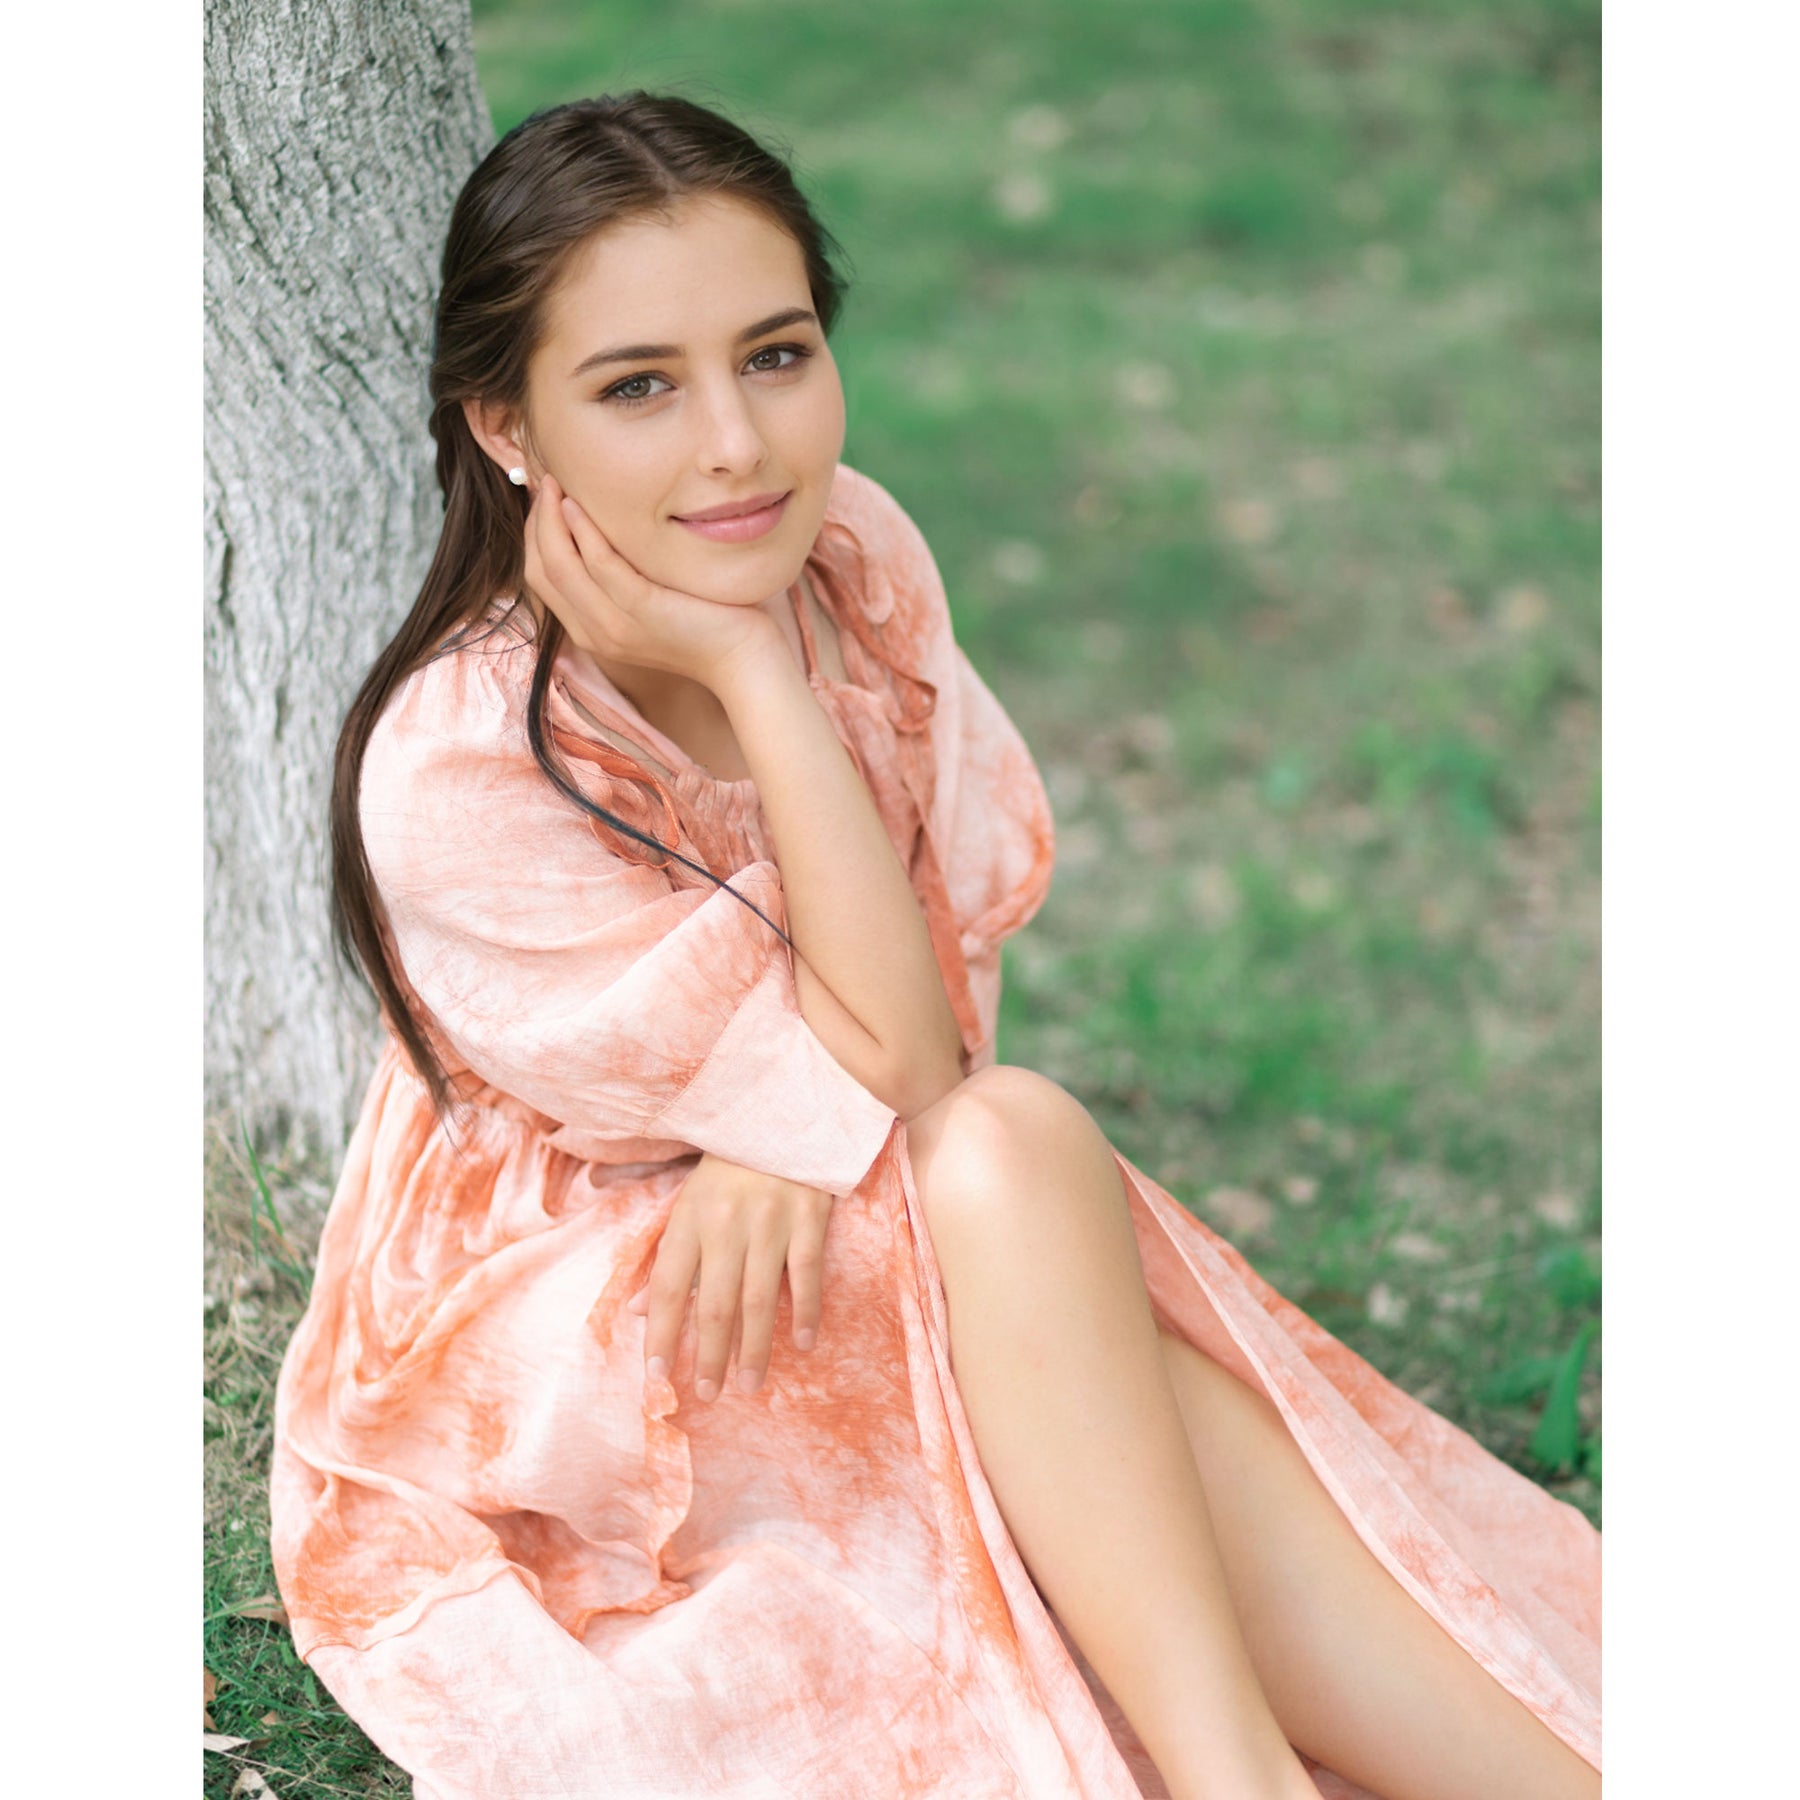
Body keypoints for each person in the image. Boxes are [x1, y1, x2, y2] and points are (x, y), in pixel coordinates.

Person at [270, 90, 1600, 1800]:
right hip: (591, 1308)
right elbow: (902, 1062)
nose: (738, 445)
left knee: (1021, 1186)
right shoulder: (460, 759)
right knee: (1027, 1195)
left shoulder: (853, 559)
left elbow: (920, 1038)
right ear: (507, 427)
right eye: (638, 387)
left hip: (880, 1172)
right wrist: (750, 684)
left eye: (776, 355)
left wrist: (791, 1114)